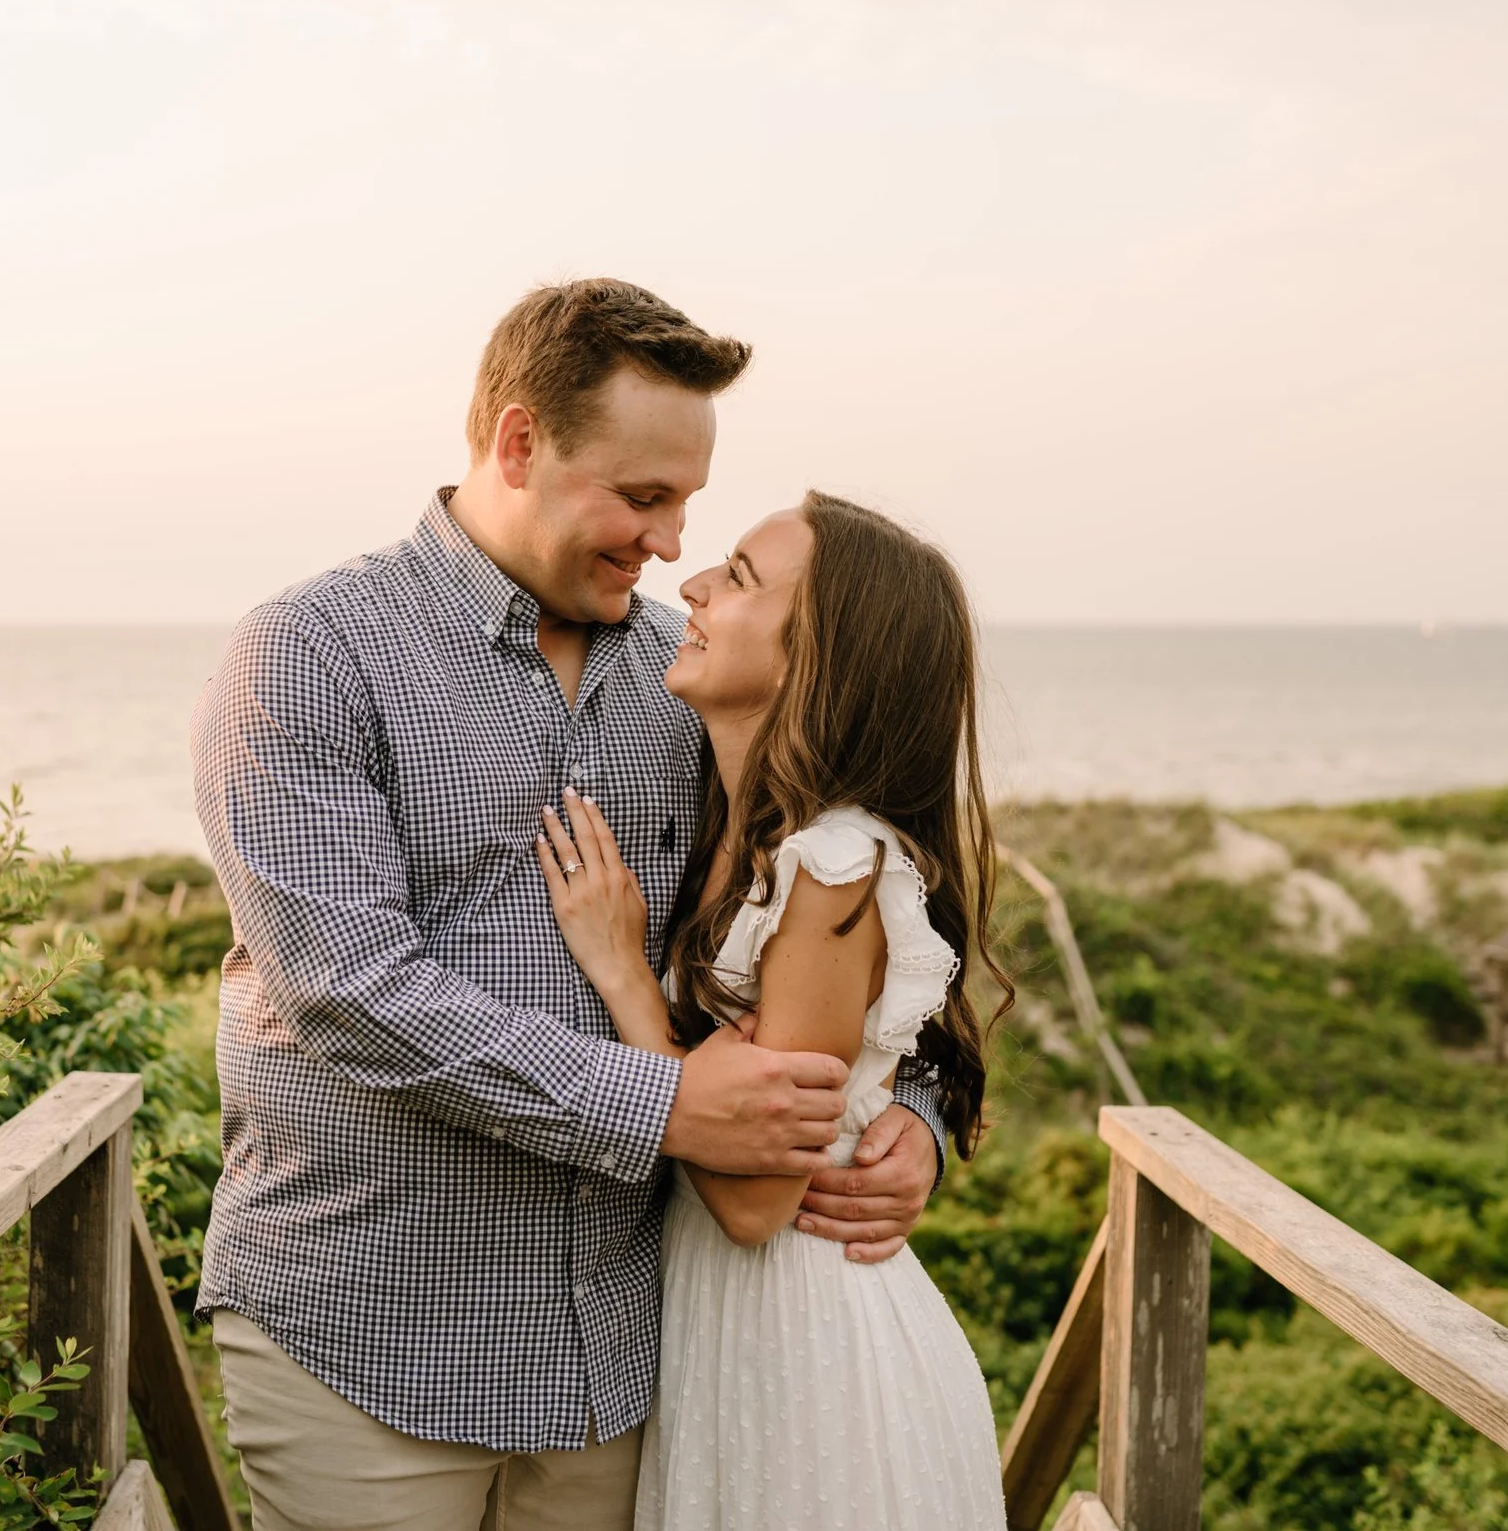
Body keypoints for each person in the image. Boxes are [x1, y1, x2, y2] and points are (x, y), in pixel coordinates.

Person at [190, 281, 952, 1530]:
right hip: (368, 1333)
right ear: (518, 442)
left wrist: (900, 1113)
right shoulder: (307, 653)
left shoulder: (689, 677)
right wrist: (664, 1104)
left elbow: (851, 911)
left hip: (628, 1351)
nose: (669, 545)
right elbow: (346, 987)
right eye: (642, 498)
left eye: (689, 506)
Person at [535, 490, 1012, 1529]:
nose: (691, 584)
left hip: (808, 1343)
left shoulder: (831, 867)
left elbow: (755, 1204)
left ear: (813, 661)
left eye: (739, 576)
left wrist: (625, 979)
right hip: (723, 1330)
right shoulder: (738, 825)